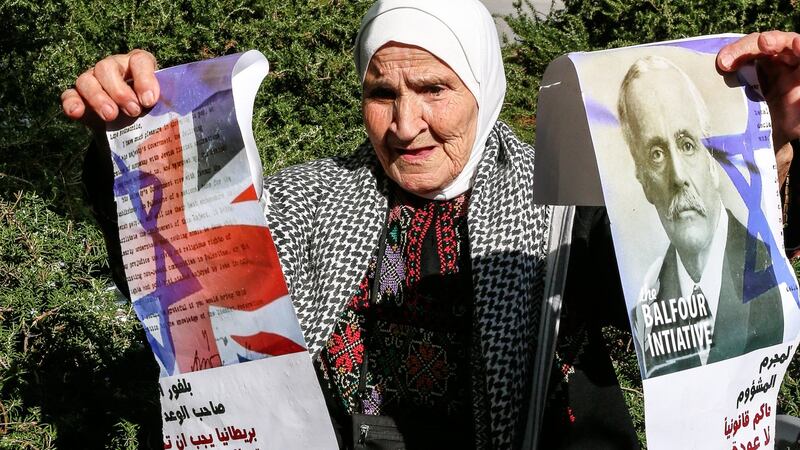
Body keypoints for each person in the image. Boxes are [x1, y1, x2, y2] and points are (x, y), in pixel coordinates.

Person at [60, 0, 800, 444]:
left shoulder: (571, 202)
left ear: (482, 84)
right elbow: (182, 283)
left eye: (434, 88)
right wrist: (130, 143)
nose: (404, 124)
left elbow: (712, 291)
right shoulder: (305, 199)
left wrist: (778, 147)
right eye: (381, 91)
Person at [618, 56, 784, 378]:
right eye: (656, 154)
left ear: (712, 159)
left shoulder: (771, 271)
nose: (678, 176)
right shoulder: (645, 311)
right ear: (644, 182)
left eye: (687, 144)